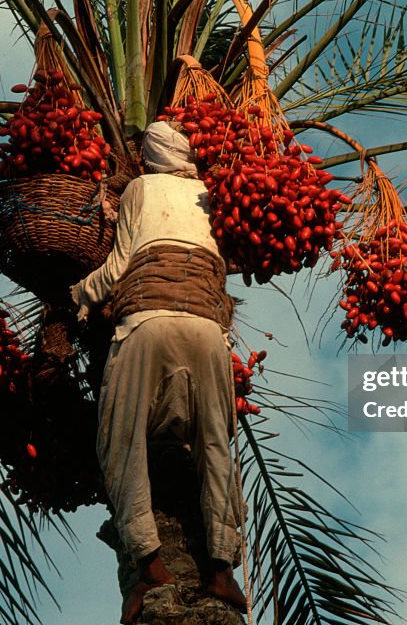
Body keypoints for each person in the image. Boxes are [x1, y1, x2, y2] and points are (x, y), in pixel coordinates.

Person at [71, 121, 248, 624]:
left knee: (119, 441)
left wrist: (78, 298)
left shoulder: (140, 189)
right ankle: (221, 568)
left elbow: (119, 265)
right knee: (215, 443)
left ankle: (147, 563)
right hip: (209, 333)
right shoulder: (213, 195)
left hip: (146, 324)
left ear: (148, 157)